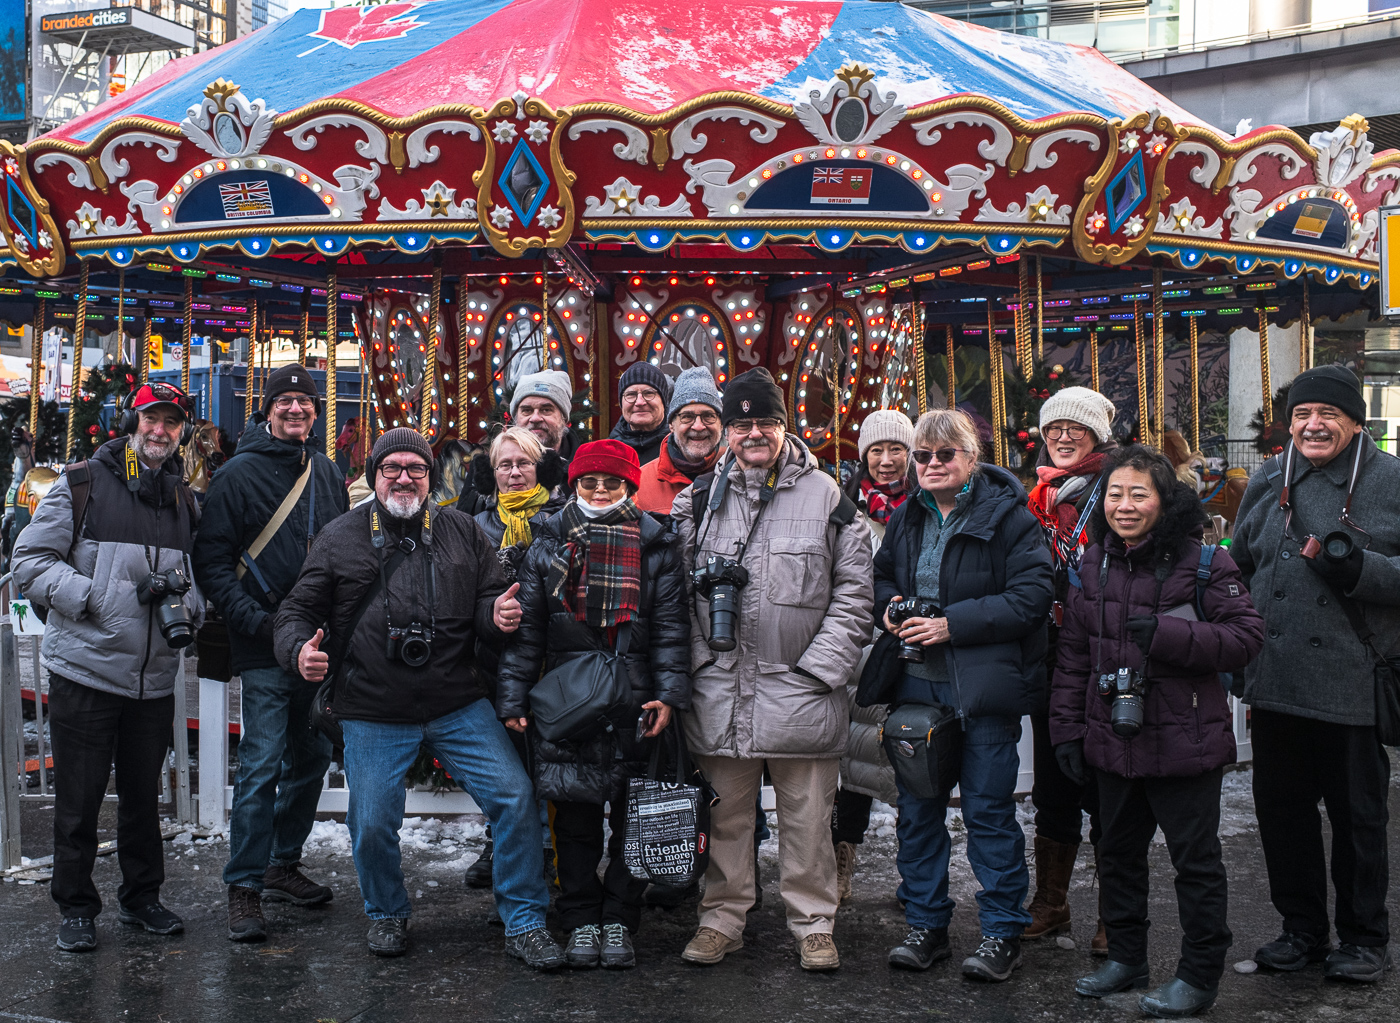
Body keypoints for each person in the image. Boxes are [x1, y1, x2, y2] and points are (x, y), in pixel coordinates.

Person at [273, 428, 566, 968]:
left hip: (456, 701)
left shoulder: (460, 530)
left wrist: (497, 616)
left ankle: (525, 920)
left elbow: (487, 599)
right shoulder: (341, 536)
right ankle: (386, 911)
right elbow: (296, 611)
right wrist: (298, 651)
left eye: (416, 468)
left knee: (514, 797)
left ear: (431, 477)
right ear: (375, 476)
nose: (404, 478)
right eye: (392, 468)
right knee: (371, 821)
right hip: (373, 707)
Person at [1050, 445, 1264, 1017]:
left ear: (1164, 500)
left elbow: (1247, 638)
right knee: (1117, 854)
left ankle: (1198, 974)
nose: (1124, 505)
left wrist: (1168, 635)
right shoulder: (1093, 562)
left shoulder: (1205, 563)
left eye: (1138, 494)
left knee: (1195, 862)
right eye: (1114, 494)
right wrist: (1066, 730)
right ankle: (1126, 958)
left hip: (1185, 740)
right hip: (1113, 737)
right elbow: (1074, 657)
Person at [672, 367, 873, 972]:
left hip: (802, 691)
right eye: (741, 424)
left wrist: (818, 673)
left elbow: (854, 595)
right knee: (725, 820)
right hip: (721, 691)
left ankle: (814, 924)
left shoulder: (829, 498)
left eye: (765, 421)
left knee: (807, 822)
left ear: (785, 426)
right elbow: (674, 597)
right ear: (727, 432)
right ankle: (720, 919)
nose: (753, 433)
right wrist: (700, 663)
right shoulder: (697, 501)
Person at [13, 382, 206, 953]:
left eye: (171, 423)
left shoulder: (183, 499)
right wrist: (92, 597)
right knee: (79, 798)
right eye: (151, 419)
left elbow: (195, 574)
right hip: (87, 671)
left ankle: (142, 897)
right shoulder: (83, 483)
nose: (160, 431)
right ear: (131, 422)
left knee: (145, 799)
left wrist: (191, 606)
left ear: (181, 433)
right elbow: (29, 559)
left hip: (153, 679)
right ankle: (75, 907)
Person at [860, 408, 1052, 981]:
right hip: (917, 685)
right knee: (918, 812)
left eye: (946, 454)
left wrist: (952, 625)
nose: (933, 464)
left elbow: (1032, 596)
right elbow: (882, 576)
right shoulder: (908, 516)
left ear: (972, 458)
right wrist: (890, 609)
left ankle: (1001, 932)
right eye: (923, 456)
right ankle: (926, 924)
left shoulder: (1010, 517)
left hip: (983, 690)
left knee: (988, 813)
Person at [1231, 364, 1400, 984]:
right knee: (1283, 816)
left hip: (1351, 681)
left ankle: (1364, 939)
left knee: (1359, 821)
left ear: (1355, 421)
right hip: (1276, 679)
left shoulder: (1391, 480)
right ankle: (1300, 930)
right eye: (1302, 414)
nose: (1313, 425)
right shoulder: (1270, 476)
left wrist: (1361, 570)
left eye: (1328, 413)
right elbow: (1239, 565)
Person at [496, 439, 690, 969]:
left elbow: (672, 631)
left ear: (629, 486)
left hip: (635, 699)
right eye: (590, 482)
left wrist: (669, 695)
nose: (600, 491)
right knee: (575, 821)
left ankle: (620, 918)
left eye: (612, 482)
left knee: (633, 818)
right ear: (575, 484)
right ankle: (580, 917)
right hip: (568, 703)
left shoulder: (657, 546)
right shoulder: (547, 544)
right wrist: (513, 696)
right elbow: (528, 633)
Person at [193, 364, 350, 942]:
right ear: (268, 409)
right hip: (263, 644)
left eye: (304, 402)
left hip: (317, 643)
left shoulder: (326, 472)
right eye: (285, 401)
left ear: (315, 412)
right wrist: (256, 623)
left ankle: (283, 861)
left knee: (311, 758)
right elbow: (212, 561)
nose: (295, 409)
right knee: (261, 763)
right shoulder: (236, 474)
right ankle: (244, 883)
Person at [1022, 386, 1117, 949]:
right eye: (1053, 428)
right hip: (1051, 655)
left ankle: (1114, 913)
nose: (1061, 437)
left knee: (1107, 786)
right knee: (1052, 783)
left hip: (1103, 654)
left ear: (1096, 436)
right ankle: (1051, 901)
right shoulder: (1037, 494)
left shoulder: (1115, 486)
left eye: (1074, 429)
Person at [462, 425, 567, 889]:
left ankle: (547, 848)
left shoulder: (562, 516)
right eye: (504, 464)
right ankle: (502, 842)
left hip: (548, 658)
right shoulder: (476, 523)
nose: (514, 472)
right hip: (493, 656)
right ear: (493, 473)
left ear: (540, 467)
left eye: (523, 463)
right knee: (506, 762)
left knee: (546, 756)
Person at [832, 408, 914, 901]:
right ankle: (842, 860)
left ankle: (915, 872)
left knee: (912, 759)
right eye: (876, 451)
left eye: (896, 450)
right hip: (859, 645)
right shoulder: (845, 508)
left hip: (909, 646)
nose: (886, 460)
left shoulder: (924, 507)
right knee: (854, 763)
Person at [636, 366, 723, 514]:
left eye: (708, 416)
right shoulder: (641, 483)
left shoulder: (736, 473)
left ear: (721, 424)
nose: (698, 426)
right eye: (687, 417)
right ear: (671, 424)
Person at [610, 362, 672, 467]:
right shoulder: (608, 453)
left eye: (649, 393)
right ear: (621, 404)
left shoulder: (680, 450)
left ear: (664, 401)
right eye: (631, 394)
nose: (639, 402)